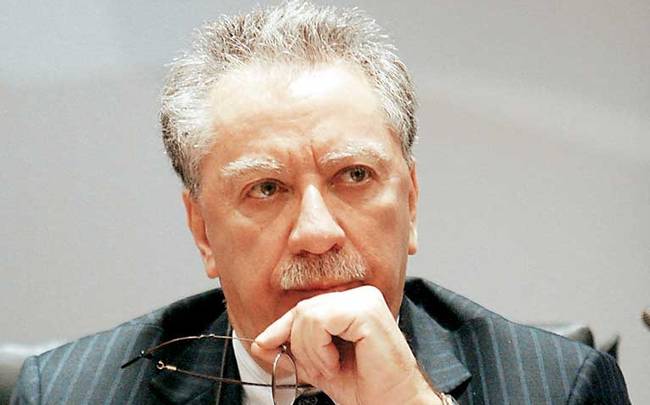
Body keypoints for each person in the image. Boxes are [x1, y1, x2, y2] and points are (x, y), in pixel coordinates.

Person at [11, 1, 630, 404]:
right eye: (266, 188)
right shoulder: (69, 392)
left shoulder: (558, 387)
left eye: (354, 175)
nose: (316, 232)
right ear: (202, 230)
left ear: (411, 203)